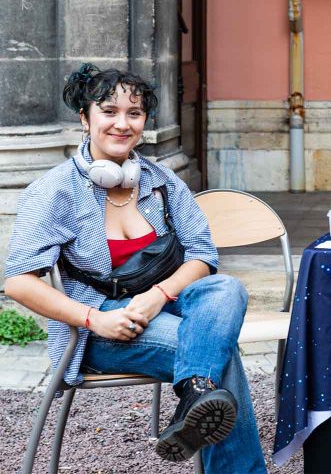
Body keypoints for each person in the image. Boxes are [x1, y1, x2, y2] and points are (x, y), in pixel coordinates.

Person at [4, 64, 267, 472]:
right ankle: (201, 395)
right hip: (102, 325)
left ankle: (195, 396)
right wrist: (94, 320)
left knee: (226, 289)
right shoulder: (54, 190)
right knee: (220, 354)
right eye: (109, 111)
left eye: (134, 113)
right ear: (84, 117)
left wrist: (157, 295)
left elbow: (202, 254)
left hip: (161, 305)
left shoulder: (161, 180)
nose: (122, 124)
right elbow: (19, 282)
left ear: (144, 121)